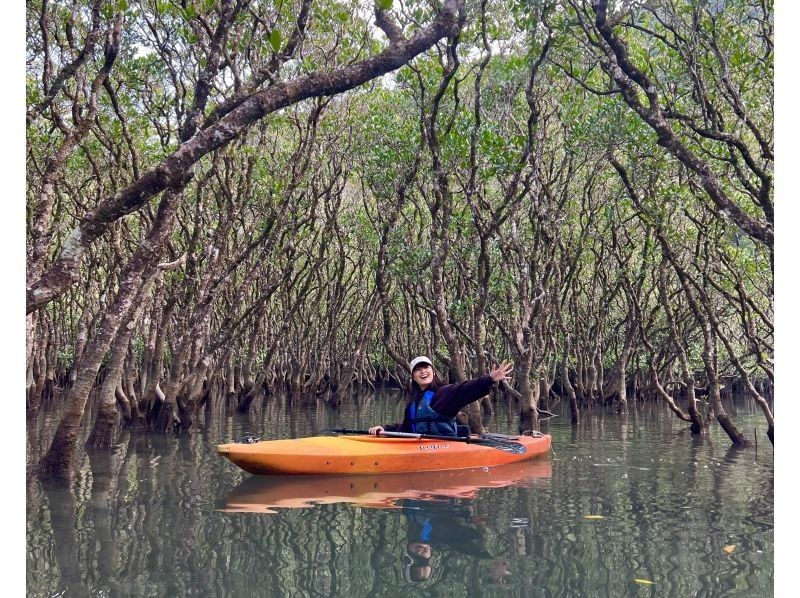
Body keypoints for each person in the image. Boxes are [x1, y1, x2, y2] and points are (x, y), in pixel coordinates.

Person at [369, 356, 513, 436]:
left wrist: (490, 378)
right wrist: (384, 429)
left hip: (444, 445)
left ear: (433, 372)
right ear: (413, 377)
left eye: (426, 368)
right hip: (418, 446)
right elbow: (407, 426)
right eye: (418, 370)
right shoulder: (413, 401)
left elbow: (466, 389)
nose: (423, 372)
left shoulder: (445, 392)